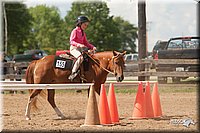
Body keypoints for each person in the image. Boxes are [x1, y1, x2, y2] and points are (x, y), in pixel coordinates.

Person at [68, 16, 96, 80]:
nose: (86, 26)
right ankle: (73, 73)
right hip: (74, 48)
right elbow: (71, 41)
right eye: (85, 24)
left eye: (87, 25)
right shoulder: (74, 31)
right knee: (80, 57)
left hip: (81, 49)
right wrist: (79, 45)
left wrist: (92, 47)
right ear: (80, 24)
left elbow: (86, 43)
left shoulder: (83, 33)